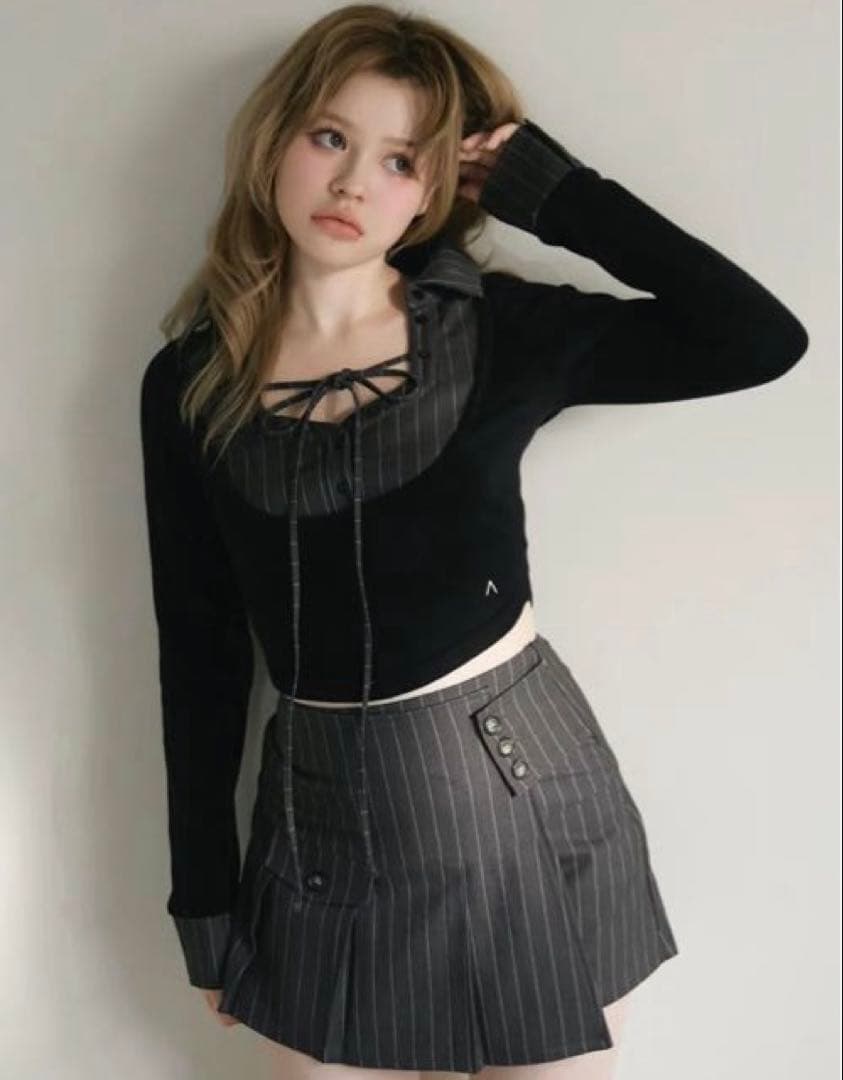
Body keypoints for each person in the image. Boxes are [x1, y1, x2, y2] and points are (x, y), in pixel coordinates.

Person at [139, 4, 809, 1078]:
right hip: (318, 826)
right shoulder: (190, 380)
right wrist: (204, 896)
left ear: (437, 188)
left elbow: (760, 340)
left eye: (401, 159)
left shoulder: (502, 330)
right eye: (330, 137)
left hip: (521, 790)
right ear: (274, 140)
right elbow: (201, 643)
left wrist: (560, 194)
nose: (353, 183)